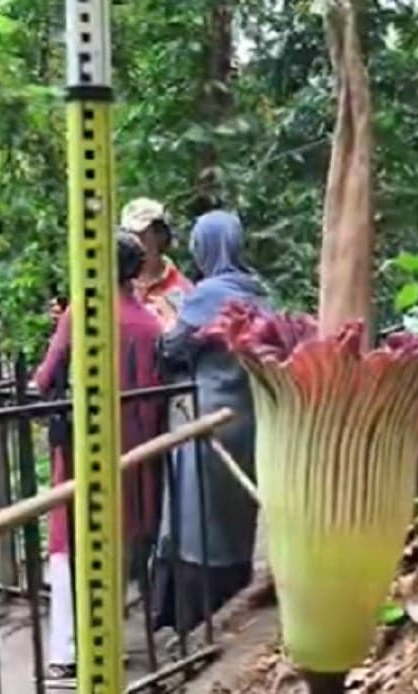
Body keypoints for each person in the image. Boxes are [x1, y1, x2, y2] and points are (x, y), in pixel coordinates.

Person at [33, 233, 167, 682]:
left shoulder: (82, 313)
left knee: (69, 540)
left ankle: (67, 650)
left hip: (82, 447)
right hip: (135, 448)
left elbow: (46, 377)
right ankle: (111, 641)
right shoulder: (150, 323)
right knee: (121, 540)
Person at [151, 210, 269, 633]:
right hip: (247, 415)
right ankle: (231, 594)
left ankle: (191, 616)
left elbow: (172, 350)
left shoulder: (207, 295)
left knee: (196, 517)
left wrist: (167, 321)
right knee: (234, 513)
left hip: (206, 417)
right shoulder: (259, 291)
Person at [119, 198, 192, 330]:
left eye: (140, 236)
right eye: (127, 237)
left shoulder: (181, 289)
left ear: (160, 236)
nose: (132, 244)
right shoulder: (115, 285)